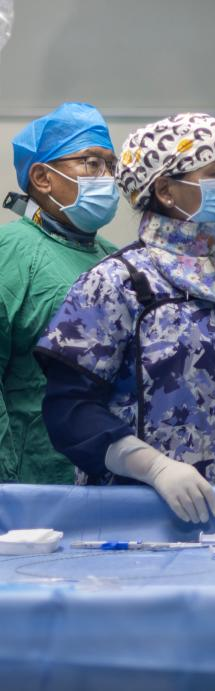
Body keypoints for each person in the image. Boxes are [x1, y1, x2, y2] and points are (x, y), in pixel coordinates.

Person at [34, 113, 215, 524]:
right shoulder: (117, 285)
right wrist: (153, 467)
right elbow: (70, 409)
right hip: (136, 521)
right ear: (166, 190)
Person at [0, 103, 119, 484]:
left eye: (111, 165)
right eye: (91, 162)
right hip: (33, 479)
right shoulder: (11, 252)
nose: (107, 177)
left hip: (111, 473)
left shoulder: (115, 259)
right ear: (42, 177)